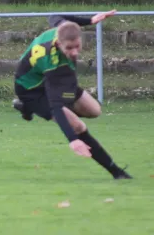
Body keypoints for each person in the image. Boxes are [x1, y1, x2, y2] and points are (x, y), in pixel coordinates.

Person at [12, 10, 132, 179]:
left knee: (94, 111)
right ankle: (117, 172)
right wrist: (72, 139)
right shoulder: (53, 64)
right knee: (77, 127)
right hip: (31, 91)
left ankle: (26, 108)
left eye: (77, 46)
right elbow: (56, 106)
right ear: (58, 44)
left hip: (49, 81)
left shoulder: (62, 29)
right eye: (69, 48)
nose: (75, 52)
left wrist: (90, 20)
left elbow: (54, 16)